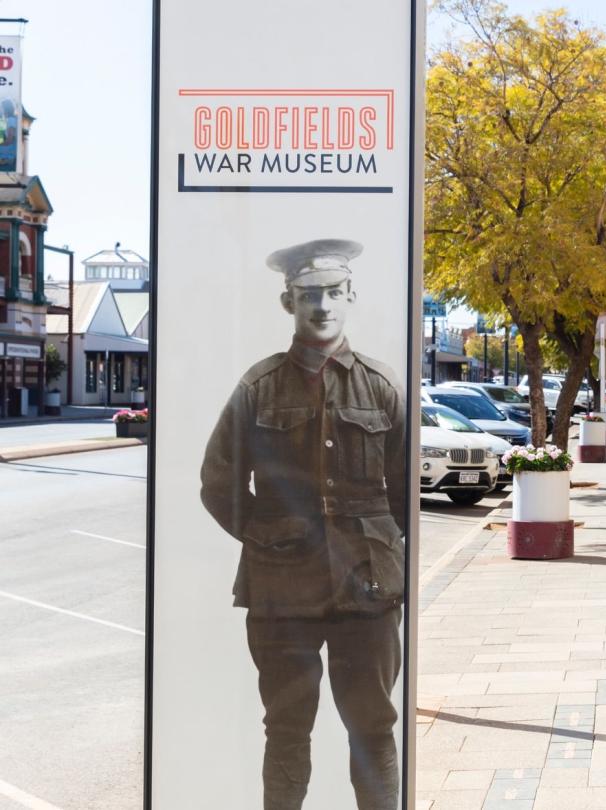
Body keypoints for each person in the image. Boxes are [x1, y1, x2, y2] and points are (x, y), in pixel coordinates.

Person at [200, 238, 406, 810]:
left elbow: (408, 493)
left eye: (333, 293)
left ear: (351, 296)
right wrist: (268, 538)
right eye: (308, 294)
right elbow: (218, 483)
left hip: (366, 591)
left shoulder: (382, 387)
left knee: (372, 729)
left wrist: (387, 555)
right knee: (286, 731)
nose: (322, 306)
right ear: (287, 300)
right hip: (281, 593)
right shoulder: (258, 387)